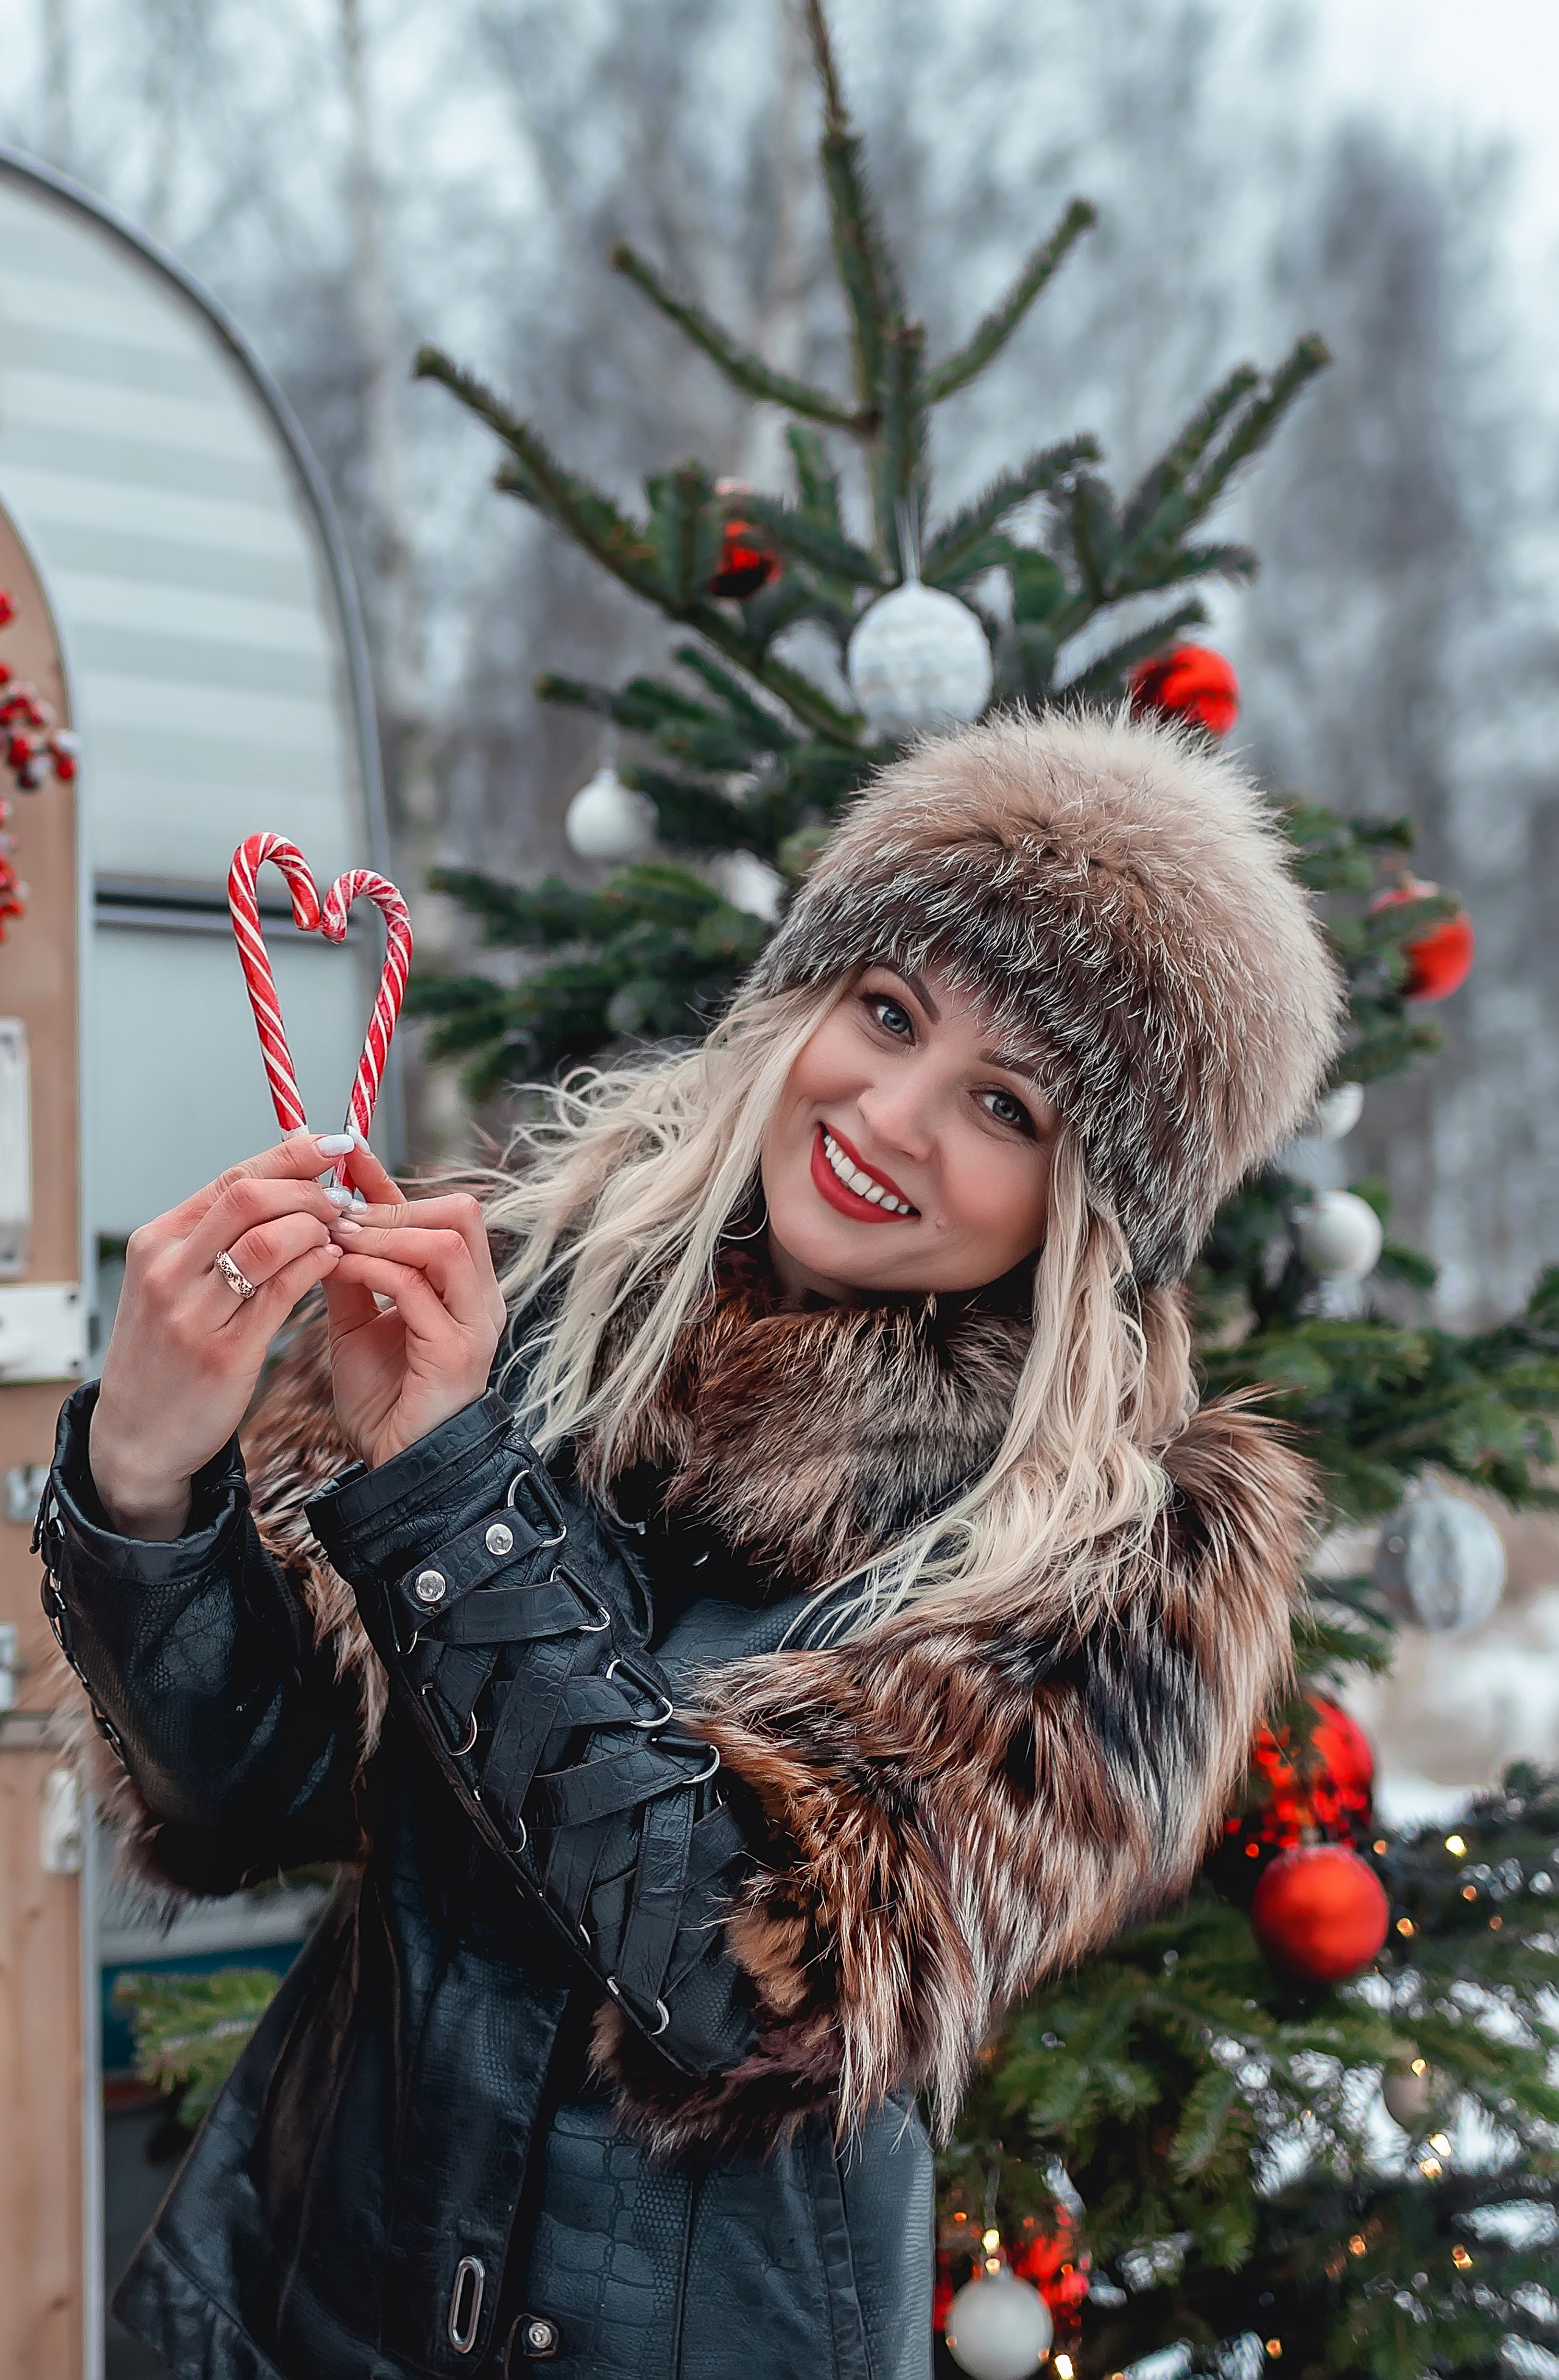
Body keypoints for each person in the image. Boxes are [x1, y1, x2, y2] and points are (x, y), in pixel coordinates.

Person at [41, 711, 1342, 2380]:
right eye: (887, 1010)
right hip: (303, 2297)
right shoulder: (524, 1297)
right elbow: (250, 1797)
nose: (890, 1112)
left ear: (1088, 1199)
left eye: (1005, 1103)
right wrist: (151, 1478)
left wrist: (450, 1488)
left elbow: (741, 1976)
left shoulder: (1123, 1563)